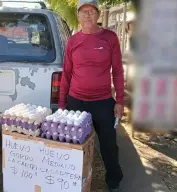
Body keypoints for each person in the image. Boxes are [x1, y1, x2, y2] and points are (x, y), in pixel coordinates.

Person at [58, 0, 125, 191]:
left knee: (109, 145)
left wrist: (119, 100)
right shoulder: (73, 41)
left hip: (103, 102)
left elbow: (118, 71)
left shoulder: (110, 38)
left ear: (98, 15)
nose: (88, 14)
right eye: (84, 11)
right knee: (73, 145)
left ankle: (114, 181)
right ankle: (72, 182)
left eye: (92, 11)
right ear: (78, 16)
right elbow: (67, 73)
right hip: (76, 101)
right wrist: (62, 104)